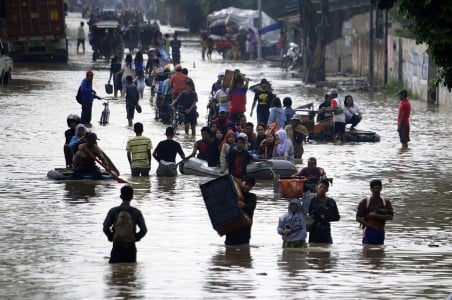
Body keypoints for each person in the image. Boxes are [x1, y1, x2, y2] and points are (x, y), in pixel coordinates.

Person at [103, 185, 147, 263]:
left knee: (115, 271)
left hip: (117, 246)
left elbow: (106, 227)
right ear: (132, 197)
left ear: (120, 196)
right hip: (130, 248)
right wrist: (135, 238)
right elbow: (143, 230)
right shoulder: (136, 212)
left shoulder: (113, 211)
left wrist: (111, 237)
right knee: (130, 272)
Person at [356, 179, 394, 245]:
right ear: (370, 189)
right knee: (367, 251)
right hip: (368, 231)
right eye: (374, 188)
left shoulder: (386, 202)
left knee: (380, 250)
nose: (376, 190)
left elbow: (391, 217)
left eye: (378, 188)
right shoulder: (365, 202)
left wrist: (375, 215)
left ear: (381, 188)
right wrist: (370, 226)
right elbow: (358, 218)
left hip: (381, 230)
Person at [224, 176, 257, 246]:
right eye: (246, 184)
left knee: (244, 249)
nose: (247, 187)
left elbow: (251, 207)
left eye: (250, 186)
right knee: (229, 249)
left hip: (245, 229)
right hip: (231, 229)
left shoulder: (252, 197)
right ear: (242, 183)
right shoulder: (232, 194)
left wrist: (243, 206)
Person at [308, 179, 340, 244]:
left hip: (325, 229)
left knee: (327, 250)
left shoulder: (331, 202)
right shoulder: (311, 201)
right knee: (312, 251)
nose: (322, 189)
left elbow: (337, 217)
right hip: (314, 229)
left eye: (324, 188)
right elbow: (308, 213)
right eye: (321, 187)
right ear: (317, 187)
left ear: (327, 190)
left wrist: (326, 216)